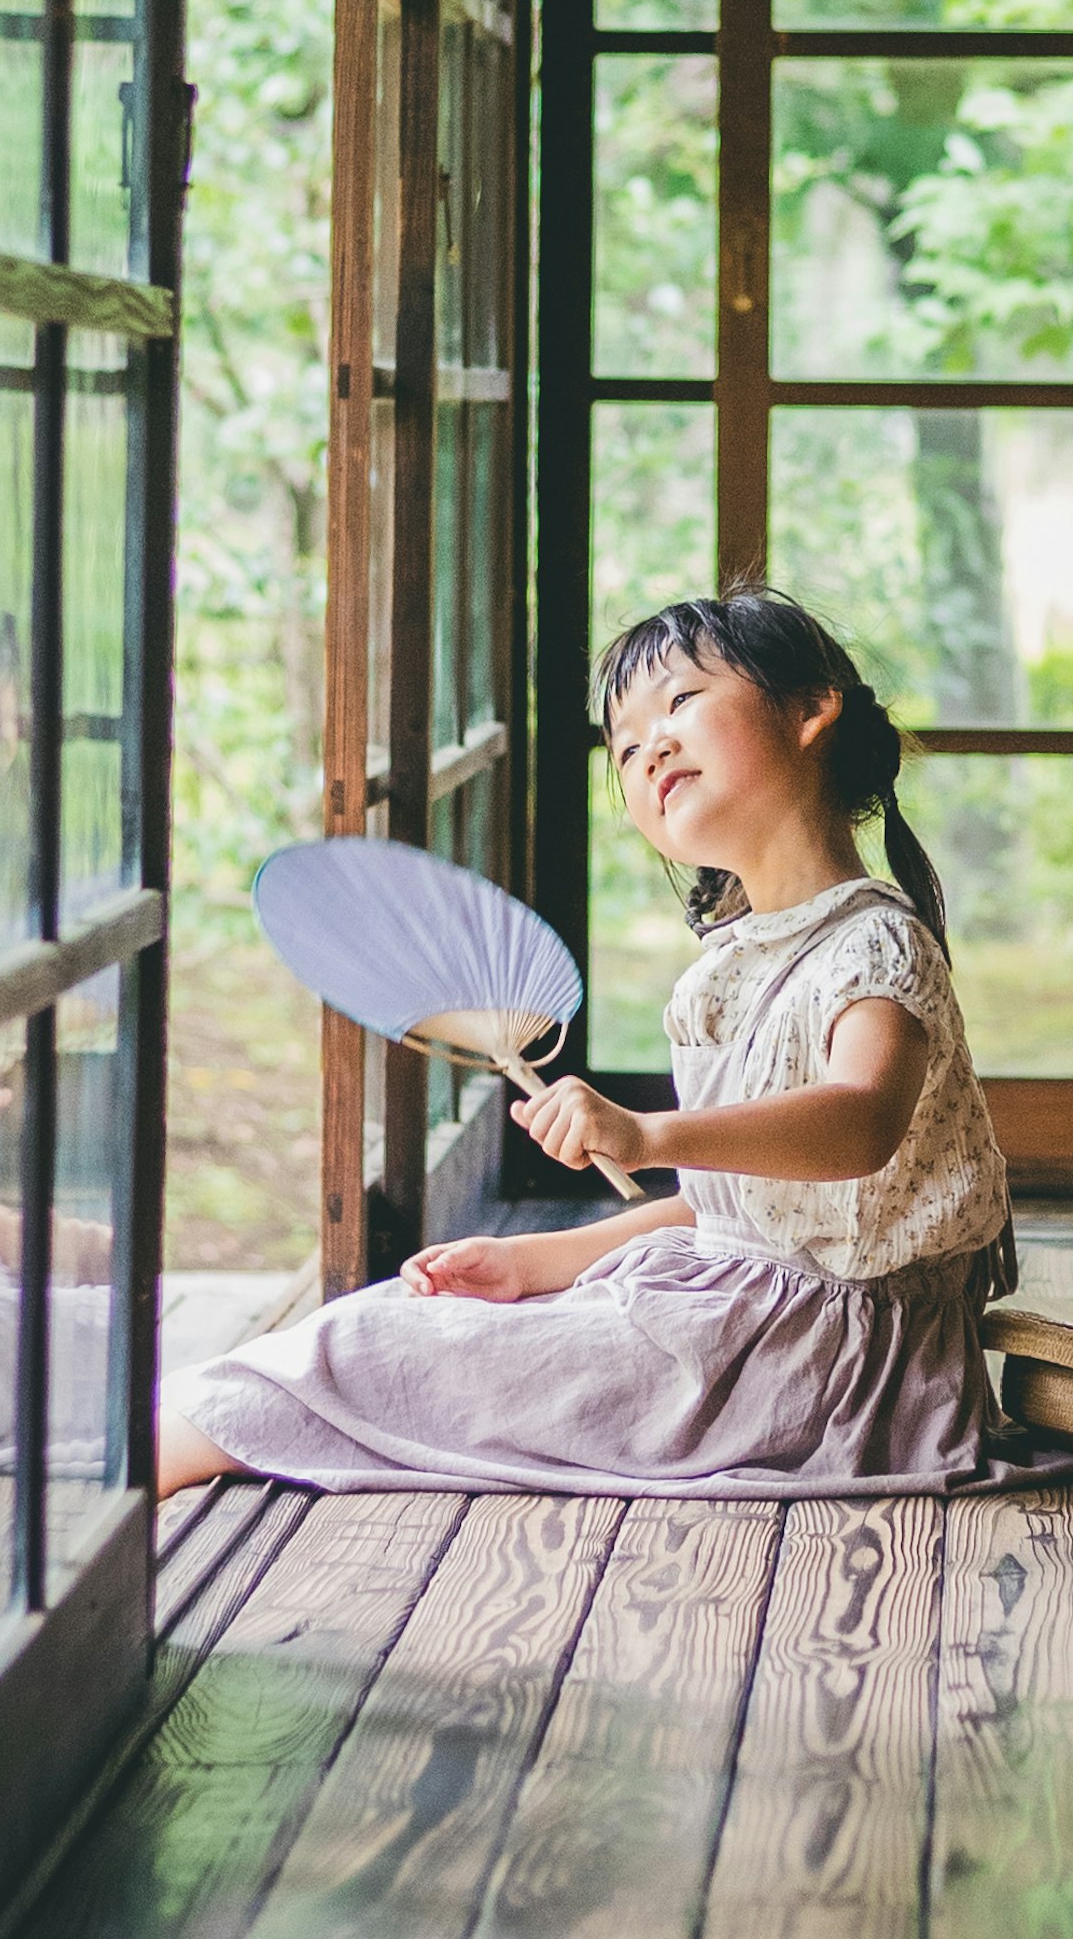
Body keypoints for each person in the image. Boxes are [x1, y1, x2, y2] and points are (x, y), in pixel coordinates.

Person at [159, 589, 1018, 1497]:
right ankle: (159, 1454)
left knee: (369, 1352)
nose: (651, 745)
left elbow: (858, 1126)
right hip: (751, 1319)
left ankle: (137, 1485)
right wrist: (537, 1262)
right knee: (392, 1320)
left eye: (680, 702)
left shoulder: (871, 942)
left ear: (810, 710)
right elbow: (737, 1212)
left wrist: (648, 1134)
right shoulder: (726, 970)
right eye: (626, 742)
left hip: (825, 1370)